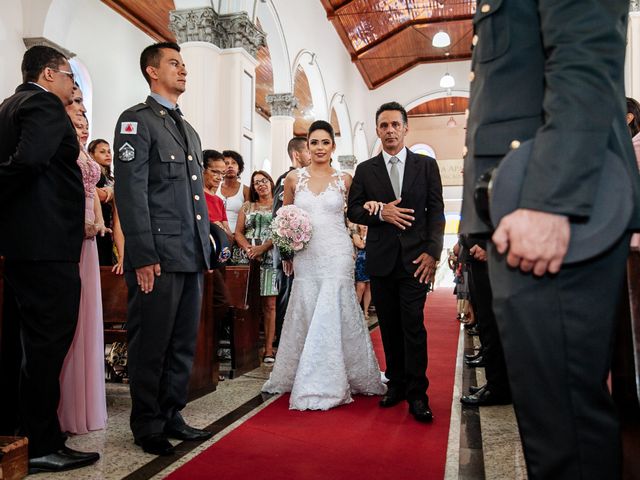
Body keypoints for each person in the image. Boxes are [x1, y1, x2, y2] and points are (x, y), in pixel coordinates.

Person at [461, 2, 639, 478]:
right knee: (547, 417)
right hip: (519, 202)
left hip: (548, 207)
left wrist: (551, 201)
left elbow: (585, 54)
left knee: (567, 431)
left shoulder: (547, 205)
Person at [0, 45, 99, 473]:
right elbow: (29, 161)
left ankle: (19, 432)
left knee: (22, 344)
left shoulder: (8, 104)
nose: (71, 85)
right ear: (47, 74)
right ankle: (40, 441)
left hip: (23, 244)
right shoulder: (42, 102)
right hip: (47, 246)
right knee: (48, 344)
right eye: (68, 76)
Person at [113, 41, 212, 457]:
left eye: (184, 63)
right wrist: (144, 255)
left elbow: (193, 197)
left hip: (189, 253)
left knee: (181, 342)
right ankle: (147, 423)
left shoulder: (187, 129)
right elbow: (131, 193)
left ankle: (172, 412)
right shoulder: (136, 122)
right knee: (151, 341)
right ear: (152, 72)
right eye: (174, 63)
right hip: (158, 255)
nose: (183, 69)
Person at [262, 120, 386, 410]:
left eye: (325, 142)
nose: (319, 148)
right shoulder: (294, 178)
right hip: (307, 254)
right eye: (314, 142)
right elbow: (283, 218)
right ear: (306, 146)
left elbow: (355, 212)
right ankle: (302, 371)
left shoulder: (345, 180)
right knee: (306, 305)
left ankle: (329, 378)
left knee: (333, 305)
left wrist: (369, 210)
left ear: (333, 146)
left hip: (337, 250)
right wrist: (287, 252)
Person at [347, 101, 445, 423]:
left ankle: (418, 394)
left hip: (416, 259)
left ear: (405, 128)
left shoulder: (426, 167)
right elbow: (354, 211)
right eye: (384, 125)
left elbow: (437, 213)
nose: (390, 130)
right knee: (389, 326)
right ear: (378, 130)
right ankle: (397, 385)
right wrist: (380, 211)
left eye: (395, 125)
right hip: (381, 259)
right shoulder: (365, 170)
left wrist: (433, 252)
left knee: (412, 326)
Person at [58, 114, 109, 434]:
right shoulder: (63, 150)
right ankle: (68, 406)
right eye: (76, 115)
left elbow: (93, 193)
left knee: (89, 313)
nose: (83, 120)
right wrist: (82, 223)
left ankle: (88, 402)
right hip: (72, 234)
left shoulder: (87, 157)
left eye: (86, 117)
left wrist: (100, 221)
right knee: (72, 315)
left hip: (91, 236)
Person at [234, 171, 278, 363]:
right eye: (256, 183)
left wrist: (263, 248)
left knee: (269, 304)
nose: (261, 185)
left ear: (271, 182)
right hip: (247, 256)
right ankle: (246, 348)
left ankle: (268, 349)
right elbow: (238, 233)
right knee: (247, 304)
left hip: (269, 255)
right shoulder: (247, 206)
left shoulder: (279, 206)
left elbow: (280, 231)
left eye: (264, 181)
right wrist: (248, 248)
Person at [272, 137, 311, 346]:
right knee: (288, 299)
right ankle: (284, 345)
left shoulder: (306, 178)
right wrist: (287, 253)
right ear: (297, 155)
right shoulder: (287, 179)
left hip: (304, 251)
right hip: (289, 254)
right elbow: (281, 219)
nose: (312, 154)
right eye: (308, 150)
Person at [89, 138, 125, 272]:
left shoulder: (111, 180)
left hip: (108, 233)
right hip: (94, 231)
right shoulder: (94, 177)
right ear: (91, 154)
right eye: (102, 152)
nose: (108, 155)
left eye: (109, 151)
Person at [218, 150, 250, 234]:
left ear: (239, 168)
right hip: (216, 233)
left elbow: (249, 217)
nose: (230, 166)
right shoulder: (215, 187)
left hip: (237, 235)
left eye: (234, 163)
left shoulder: (246, 190)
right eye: (226, 163)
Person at [351, 223, 372, 321]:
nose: (364, 225)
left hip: (371, 261)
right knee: (360, 287)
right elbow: (361, 245)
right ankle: (356, 311)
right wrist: (364, 235)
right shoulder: (356, 234)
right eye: (362, 224)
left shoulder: (371, 233)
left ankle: (366, 311)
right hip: (361, 263)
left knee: (369, 287)